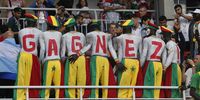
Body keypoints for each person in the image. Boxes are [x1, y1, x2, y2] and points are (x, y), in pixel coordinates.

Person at [69, 21, 125, 98]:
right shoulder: (107, 35)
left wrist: (78, 54)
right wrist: (117, 61)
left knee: (94, 80)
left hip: (96, 58)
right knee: (105, 81)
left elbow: (88, 46)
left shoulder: (90, 34)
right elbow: (111, 48)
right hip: (105, 59)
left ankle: (93, 97)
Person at [13, 13, 42, 99]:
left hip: (22, 54)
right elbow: (41, 46)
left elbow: (21, 44)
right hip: (32, 55)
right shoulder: (39, 32)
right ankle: (32, 96)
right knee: (33, 77)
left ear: (27, 22)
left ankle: (19, 97)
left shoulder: (21, 31)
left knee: (21, 77)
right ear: (34, 23)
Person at [115, 19, 142, 98]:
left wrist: (118, 63)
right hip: (135, 61)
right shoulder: (138, 38)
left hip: (125, 60)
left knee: (123, 84)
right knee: (132, 84)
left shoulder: (120, 37)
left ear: (124, 28)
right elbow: (140, 53)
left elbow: (120, 52)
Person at [60, 18, 86, 98]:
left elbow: (63, 51)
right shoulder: (81, 35)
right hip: (81, 57)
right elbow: (84, 47)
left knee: (70, 80)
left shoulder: (65, 36)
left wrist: (62, 60)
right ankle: (80, 97)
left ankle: (71, 97)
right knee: (81, 79)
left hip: (71, 57)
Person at [140, 21, 167, 99]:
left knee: (148, 85)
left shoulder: (147, 40)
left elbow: (144, 54)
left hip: (150, 63)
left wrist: (140, 65)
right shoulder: (162, 42)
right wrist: (164, 68)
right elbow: (164, 57)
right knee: (157, 86)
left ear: (151, 30)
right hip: (159, 64)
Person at [40, 16, 63, 98]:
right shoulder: (59, 34)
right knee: (58, 86)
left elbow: (42, 49)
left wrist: (41, 61)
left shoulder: (43, 34)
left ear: (48, 24)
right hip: (57, 61)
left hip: (48, 61)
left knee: (46, 85)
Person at [0, 24, 20, 98]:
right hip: (15, 77)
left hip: (2, 76)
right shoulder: (19, 49)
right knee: (11, 97)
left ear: (4, 37)